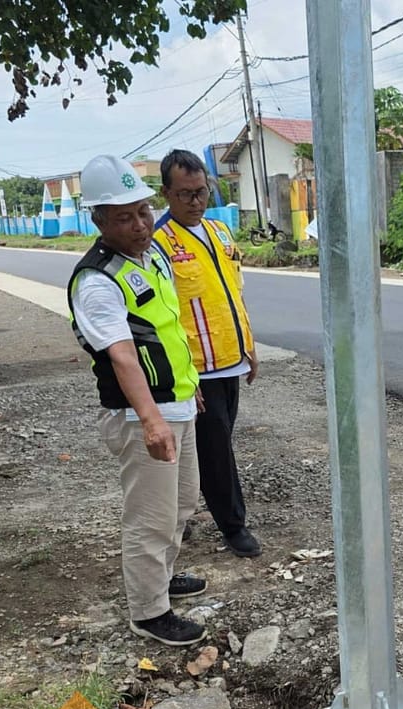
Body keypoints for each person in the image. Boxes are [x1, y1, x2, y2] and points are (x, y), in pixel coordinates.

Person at [68, 154, 206, 647]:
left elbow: (167, 333)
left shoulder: (151, 256)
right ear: (99, 220)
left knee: (182, 502)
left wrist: (190, 391)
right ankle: (148, 612)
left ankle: (162, 579)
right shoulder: (98, 281)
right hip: (142, 416)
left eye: (143, 211)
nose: (140, 224)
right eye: (124, 217)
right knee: (149, 516)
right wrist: (152, 421)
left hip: (178, 405)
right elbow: (124, 357)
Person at [152, 149, 261, 559]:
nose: (196, 201)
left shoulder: (219, 234)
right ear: (167, 194)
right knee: (217, 450)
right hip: (197, 370)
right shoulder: (160, 244)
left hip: (230, 360)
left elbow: (234, 294)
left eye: (201, 192)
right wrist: (185, 375)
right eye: (185, 194)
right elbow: (162, 317)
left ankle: (193, 508)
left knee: (218, 442)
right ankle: (233, 525)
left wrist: (249, 346)